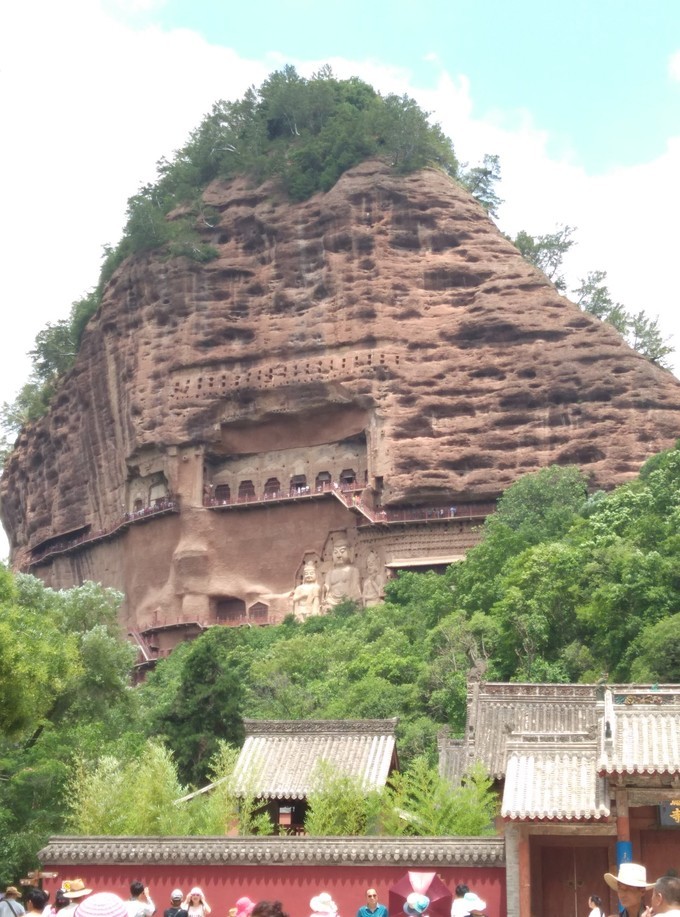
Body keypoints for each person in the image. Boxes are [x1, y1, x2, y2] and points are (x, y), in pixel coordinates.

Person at [323, 540, 361, 609]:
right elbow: (327, 586)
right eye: (335, 552)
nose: (338, 555)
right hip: (332, 600)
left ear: (349, 552)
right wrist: (323, 589)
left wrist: (350, 599)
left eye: (342, 552)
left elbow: (355, 587)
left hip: (348, 599)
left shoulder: (353, 570)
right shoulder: (330, 572)